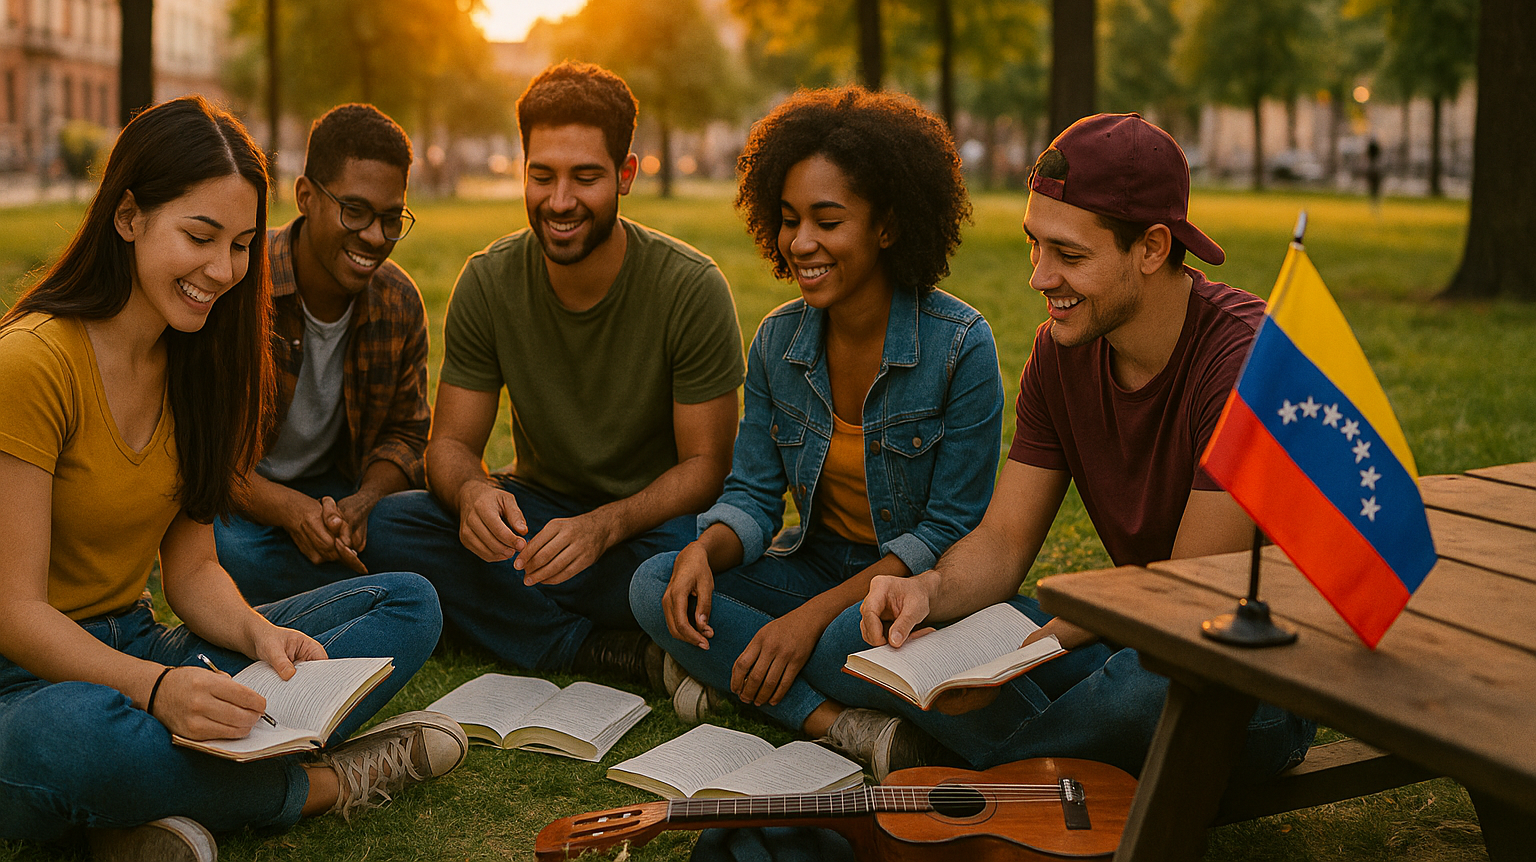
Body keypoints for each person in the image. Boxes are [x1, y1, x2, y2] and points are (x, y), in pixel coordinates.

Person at [690, 113, 1315, 862]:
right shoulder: (1061, 355)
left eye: (1068, 254)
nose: (1040, 277)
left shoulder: (1246, 363)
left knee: (1136, 685)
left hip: (1238, 674)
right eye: (1034, 244)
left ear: (1151, 247)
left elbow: (1181, 594)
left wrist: (1043, 641)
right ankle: (1017, 766)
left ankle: (939, 797)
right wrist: (926, 594)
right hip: (1126, 632)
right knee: (850, 640)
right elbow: (1002, 543)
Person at [0, 97, 464, 862]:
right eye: (200, 236)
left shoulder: (200, 364)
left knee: (407, 602)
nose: (223, 271)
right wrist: (154, 691)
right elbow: (16, 614)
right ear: (127, 218)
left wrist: (261, 635)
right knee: (72, 739)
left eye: (243, 245)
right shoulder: (32, 363)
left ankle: (131, 818)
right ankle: (319, 787)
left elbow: (191, 570)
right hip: (25, 683)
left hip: (142, 642)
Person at [630, 87, 1004, 773]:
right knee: (656, 583)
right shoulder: (778, 341)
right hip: (817, 563)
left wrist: (805, 624)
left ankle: (734, 681)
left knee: (835, 641)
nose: (801, 243)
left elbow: (950, 530)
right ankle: (837, 723)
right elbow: (751, 493)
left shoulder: (961, 347)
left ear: (886, 226)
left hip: (915, 594)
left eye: (827, 222)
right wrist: (704, 551)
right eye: (789, 219)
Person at [367, 62, 745, 685]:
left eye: (585, 177)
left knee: (677, 572)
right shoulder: (488, 281)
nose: (560, 201)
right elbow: (451, 447)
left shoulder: (690, 286)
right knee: (392, 526)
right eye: (542, 176)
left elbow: (707, 468)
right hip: (539, 517)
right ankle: (592, 648)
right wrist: (473, 495)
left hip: (647, 527)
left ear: (625, 175)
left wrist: (605, 526)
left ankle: (529, 618)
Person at [215, 104, 430, 605]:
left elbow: (406, 434)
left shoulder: (398, 302)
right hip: (246, 497)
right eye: (354, 212)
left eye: (391, 219)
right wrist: (291, 511)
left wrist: (363, 502)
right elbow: (203, 455)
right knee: (232, 550)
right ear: (306, 197)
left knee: (424, 522)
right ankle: (381, 592)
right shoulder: (240, 283)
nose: (375, 237)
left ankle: (344, 589)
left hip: (338, 489)